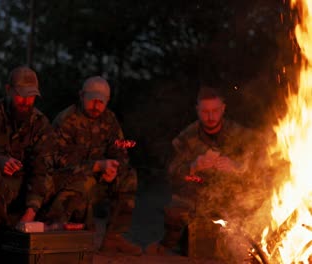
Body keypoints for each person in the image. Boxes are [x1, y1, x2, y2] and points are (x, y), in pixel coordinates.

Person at [145, 86, 258, 256]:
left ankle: (248, 247)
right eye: (205, 111)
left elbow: (265, 161)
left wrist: (237, 167)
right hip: (198, 196)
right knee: (177, 209)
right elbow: (171, 173)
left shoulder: (240, 135)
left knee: (254, 202)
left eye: (215, 111)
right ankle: (170, 243)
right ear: (197, 110)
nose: (211, 116)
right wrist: (193, 167)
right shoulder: (186, 137)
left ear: (223, 109)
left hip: (232, 195)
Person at [45, 76, 142, 256]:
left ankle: (113, 237)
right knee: (84, 181)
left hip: (99, 178)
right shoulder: (66, 120)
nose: (96, 105)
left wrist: (114, 169)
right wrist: (96, 167)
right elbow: (58, 161)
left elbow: (120, 152)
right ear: (81, 96)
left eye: (101, 101)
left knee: (128, 176)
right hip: (65, 182)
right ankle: (56, 235)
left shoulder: (109, 120)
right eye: (92, 100)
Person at [0, 66, 55, 239]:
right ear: (8, 90)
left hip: (26, 187)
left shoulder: (40, 123)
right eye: (21, 95)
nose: (26, 101)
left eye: (31, 97)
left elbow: (41, 168)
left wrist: (30, 212)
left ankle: (47, 233)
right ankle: (2, 238)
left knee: (56, 179)